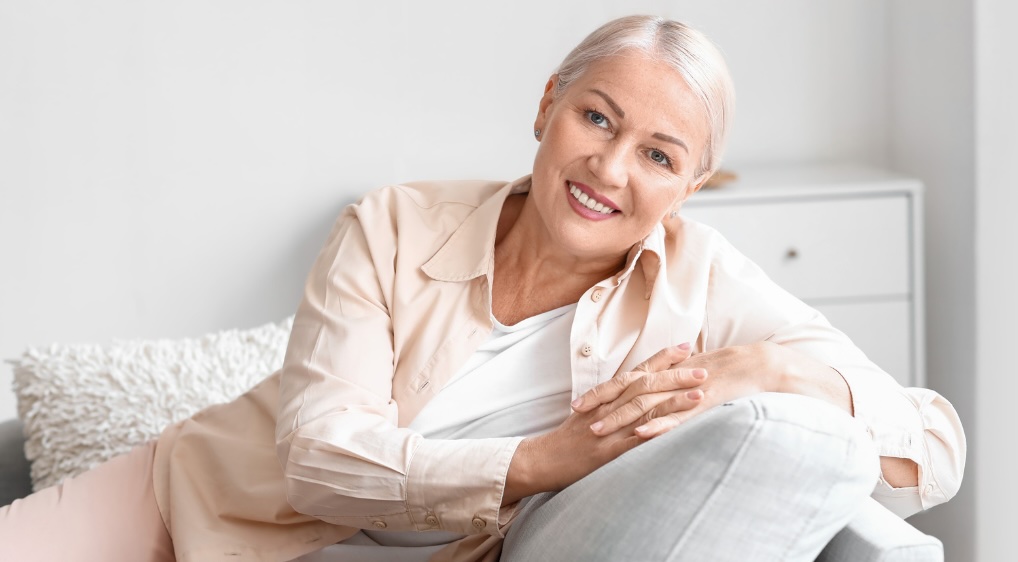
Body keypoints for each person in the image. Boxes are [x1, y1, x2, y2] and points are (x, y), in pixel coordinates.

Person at [0, 14, 964, 562]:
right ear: (548, 105)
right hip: (199, 501)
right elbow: (319, 462)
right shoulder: (391, 221)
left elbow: (935, 446)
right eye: (596, 117)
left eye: (659, 155)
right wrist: (546, 460)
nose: (611, 169)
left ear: (689, 187)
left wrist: (758, 373)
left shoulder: (707, 282)